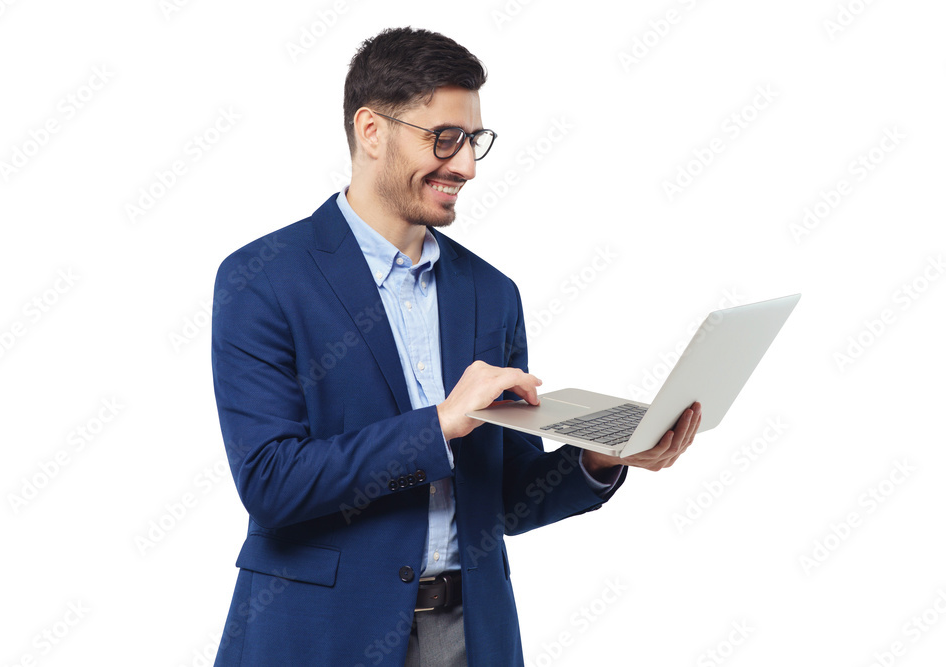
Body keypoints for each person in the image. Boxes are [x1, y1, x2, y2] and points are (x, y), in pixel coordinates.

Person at [209, 26, 701, 667]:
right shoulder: (265, 278)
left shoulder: (491, 293)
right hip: (320, 634)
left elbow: (507, 498)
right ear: (371, 130)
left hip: (468, 636)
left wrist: (603, 458)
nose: (465, 165)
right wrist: (441, 423)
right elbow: (272, 483)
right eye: (444, 138)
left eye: (473, 141)